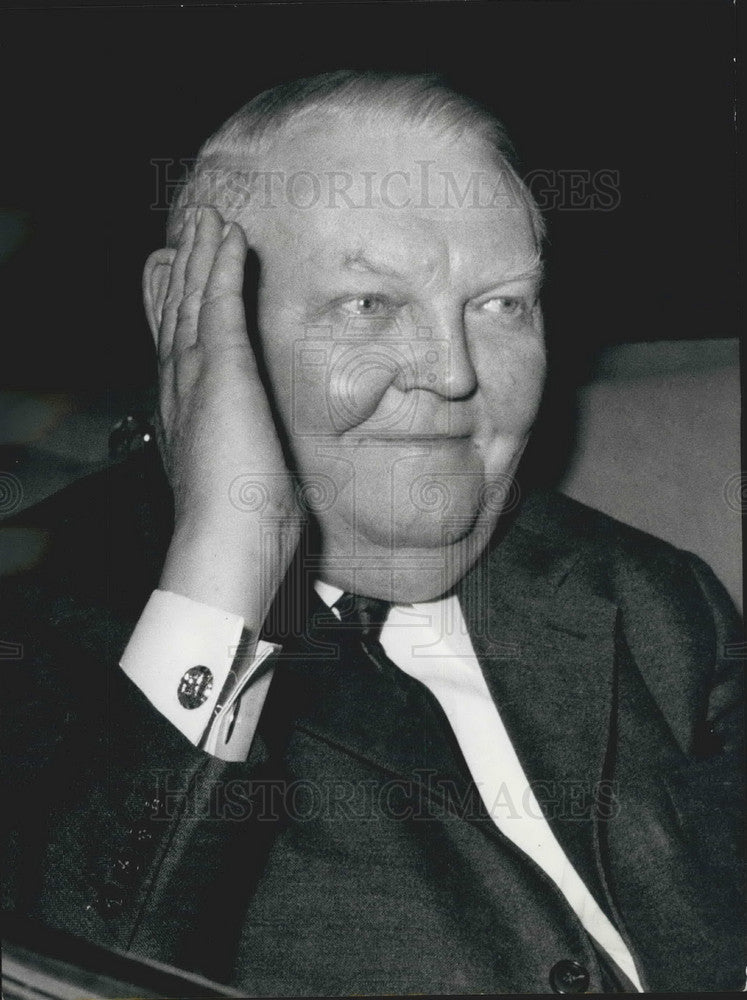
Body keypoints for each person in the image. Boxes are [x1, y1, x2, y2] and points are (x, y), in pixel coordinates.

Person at [1, 71, 743, 995]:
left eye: (501, 304)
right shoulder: (34, 634)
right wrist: (228, 565)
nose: (454, 373)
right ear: (188, 311)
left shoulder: (650, 602)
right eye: (369, 305)